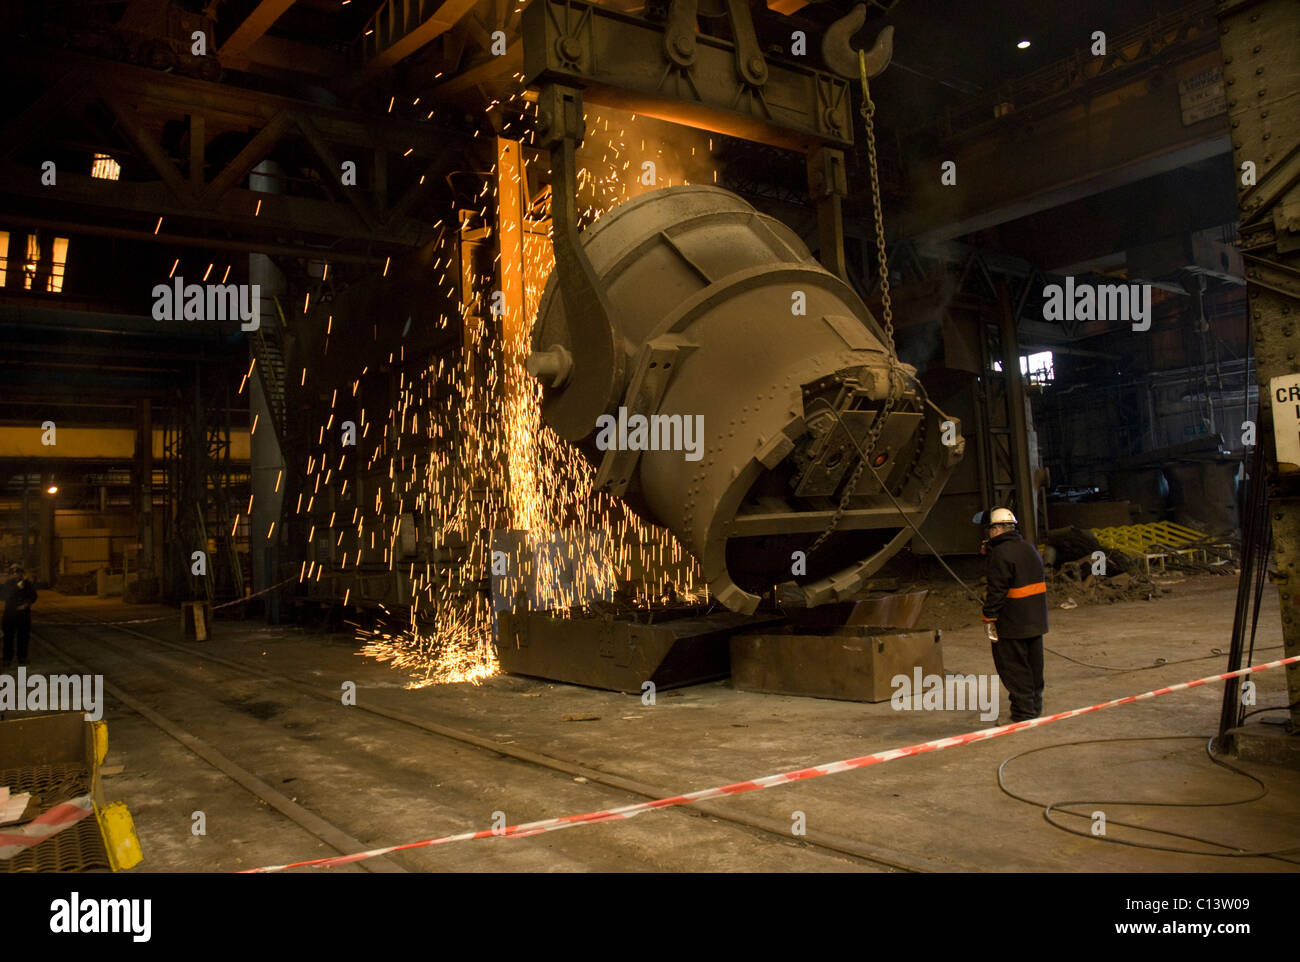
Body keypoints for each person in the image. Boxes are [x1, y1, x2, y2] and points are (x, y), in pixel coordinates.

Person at [977, 508, 1048, 722]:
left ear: (997, 529)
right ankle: (1034, 707)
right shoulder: (1028, 547)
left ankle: (1023, 713)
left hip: (1012, 622)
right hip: (1035, 620)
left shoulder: (1001, 554)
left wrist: (989, 616)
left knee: (1014, 669)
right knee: (1034, 666)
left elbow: (997, 590)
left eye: (990, 530)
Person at [1, 564, 37, 669]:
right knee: (8, 637)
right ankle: (7, 658)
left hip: (23, 614)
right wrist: (17, 587)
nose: (15, 574)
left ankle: (22, 657)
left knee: (24, 637)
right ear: (10, 575)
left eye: (18, 572)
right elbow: (3, 596)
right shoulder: (7, 584)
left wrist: (27, 603)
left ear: (22, 573)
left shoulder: (27, 584)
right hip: (10, 614)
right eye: (13, 573)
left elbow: (33, 596)